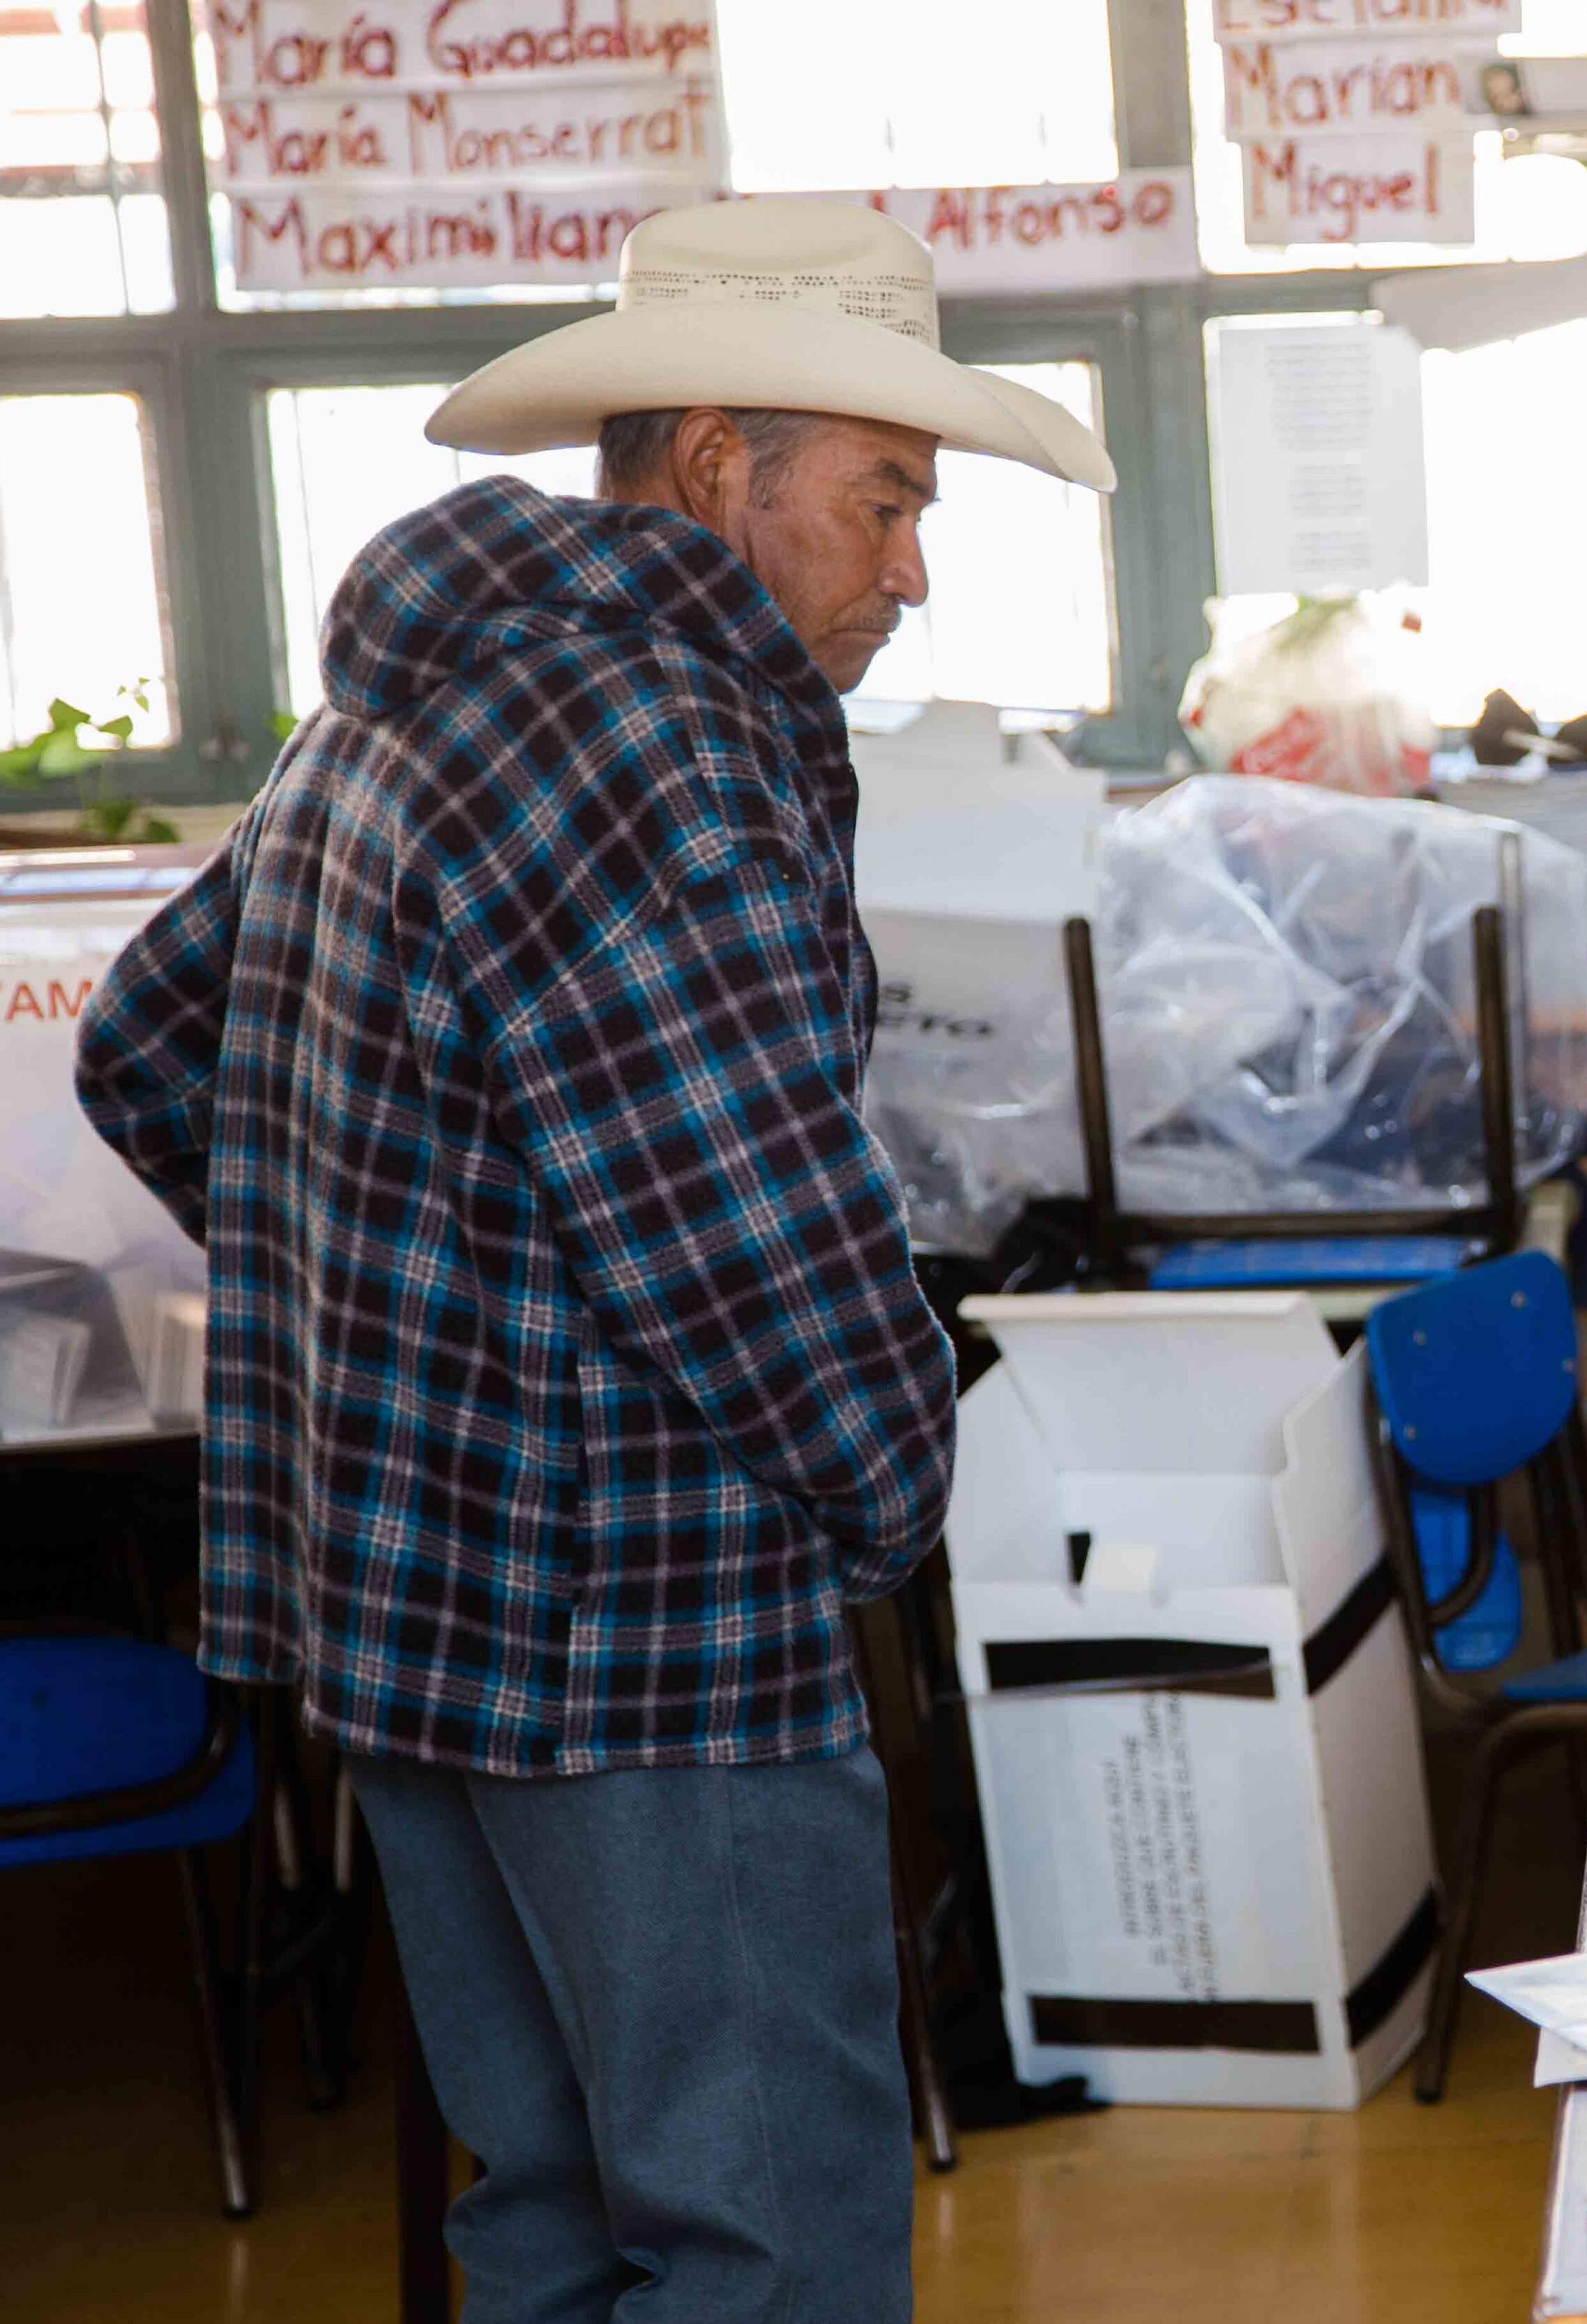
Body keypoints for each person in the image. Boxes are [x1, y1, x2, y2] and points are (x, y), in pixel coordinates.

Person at [70, 200, 1114, 2323]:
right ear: (721, 466)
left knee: (541, 2213)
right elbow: (756, 1228)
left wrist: (420, 1334)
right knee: (769, 2239)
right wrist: (902, 1480)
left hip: (408, 1613)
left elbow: (156, 1041)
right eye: (887, 498)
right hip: (648, 1625)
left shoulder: (414, 694)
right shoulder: (651, 728)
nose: (909, 569)